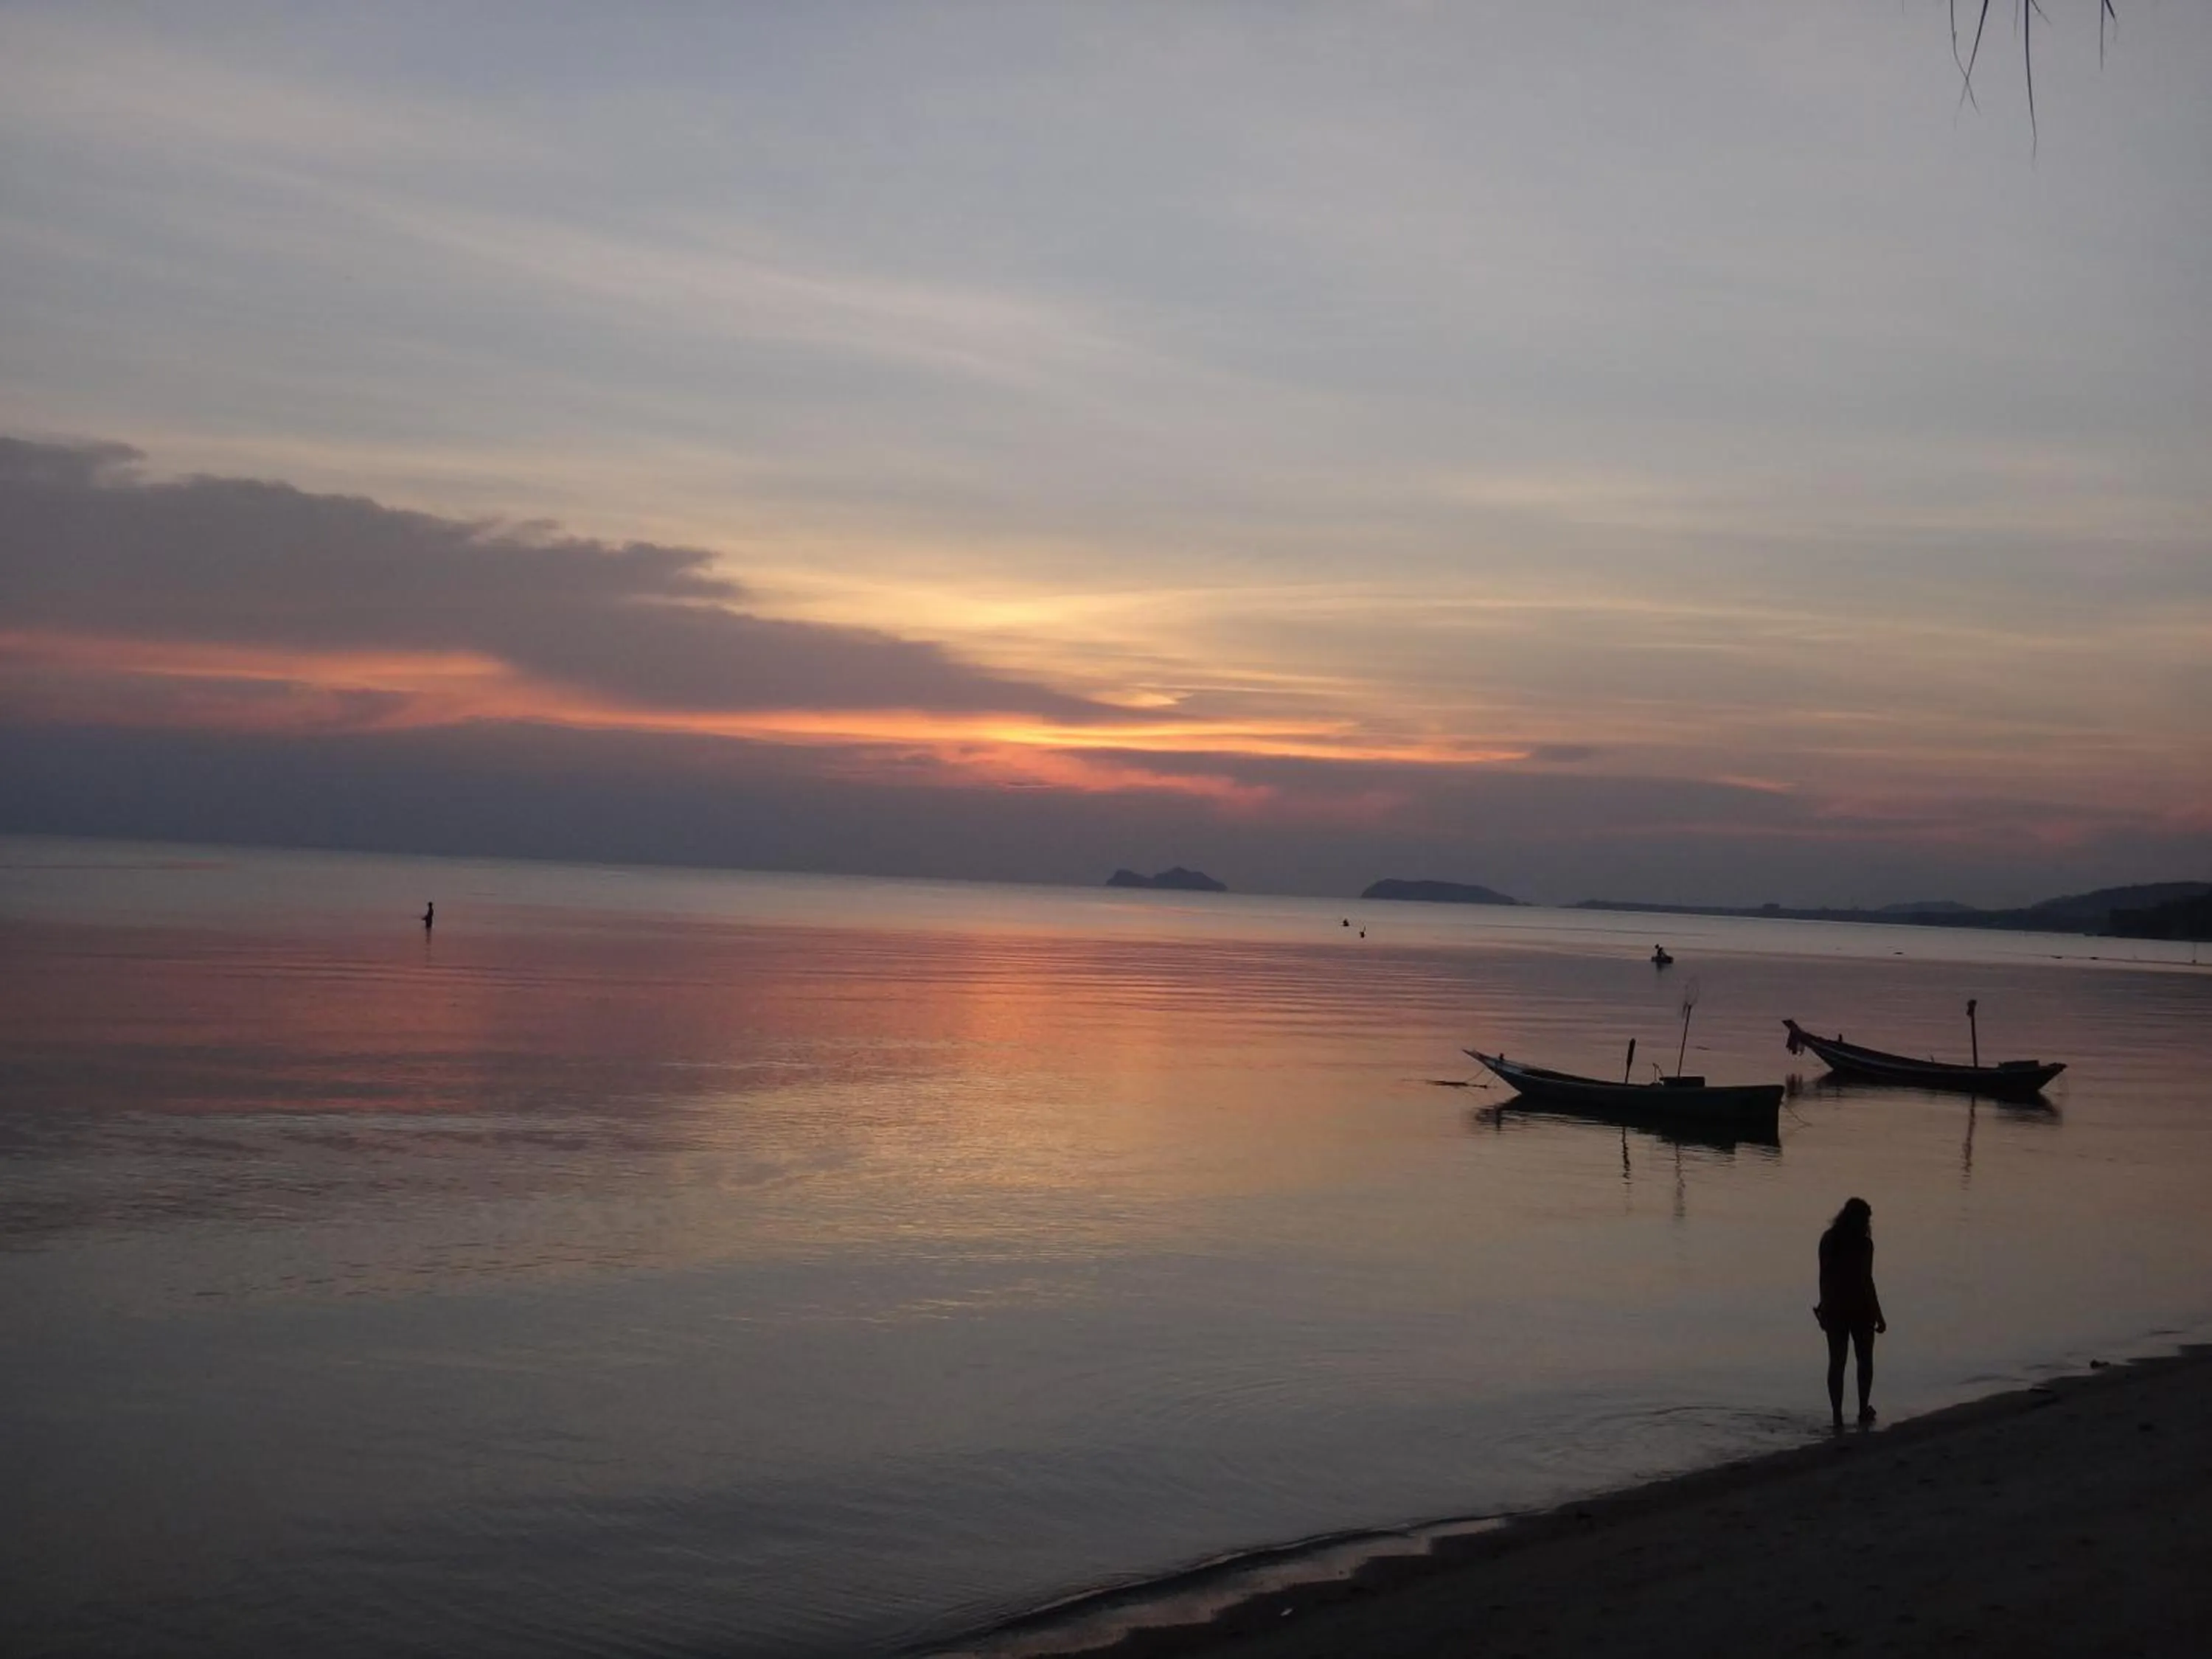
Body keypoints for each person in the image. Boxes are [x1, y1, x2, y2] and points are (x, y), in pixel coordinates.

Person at [1815, 1197, 1886, 1427]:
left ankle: (1837, 1415)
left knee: (1837, 1363)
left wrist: (1824, 1307)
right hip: (1861, 1309)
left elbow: (1824, 1277)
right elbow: (1867, 1280)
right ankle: (1863, 1408)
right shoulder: (1864, 1245)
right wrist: (1879, 1315)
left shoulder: (1828, 1240)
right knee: (1864, 1361)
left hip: (1835, 1308)